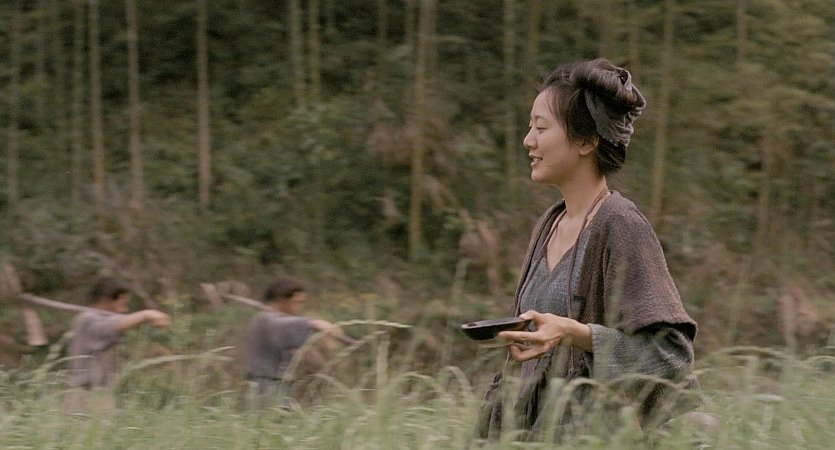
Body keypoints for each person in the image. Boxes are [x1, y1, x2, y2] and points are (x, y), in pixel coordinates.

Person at [476, 59, 699, 442]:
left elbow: (671, 357)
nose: (528, 140)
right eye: (530, 127)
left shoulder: (620, 225)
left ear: (586, 141)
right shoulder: (549, 224)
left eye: (541, 128)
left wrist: (575, 333)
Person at [65, 276, 171, 410]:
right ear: (106, 299)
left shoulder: (99, 319)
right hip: (85, 398)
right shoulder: (88, 320)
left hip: (101, 396)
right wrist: (146, 315)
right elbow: (111, 326)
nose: (124, 310)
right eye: (123, 304)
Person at [243, 276, 347, 409]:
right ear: (282, 300)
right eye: (297, 302)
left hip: (280, 390)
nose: (299, 307)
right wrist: (313, 323)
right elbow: (284, 326)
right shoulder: (264, 319)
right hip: (265, 390)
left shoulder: (276, 320)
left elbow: (300, 347)